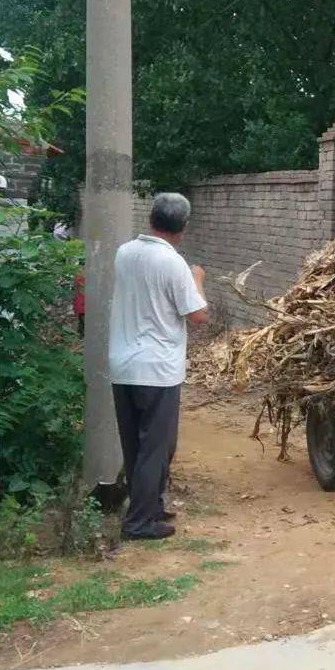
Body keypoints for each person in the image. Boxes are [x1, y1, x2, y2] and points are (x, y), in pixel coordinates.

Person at [109, 193, 208, 540]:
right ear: (182, 227)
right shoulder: (173, 263)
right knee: (157, 447)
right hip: (157, 371)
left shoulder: (124, 253)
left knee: (136, 445)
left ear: (151, 218)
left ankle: (148, 508)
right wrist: (197, 279)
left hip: (122, 365)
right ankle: (138, 523)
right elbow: (197, 314)